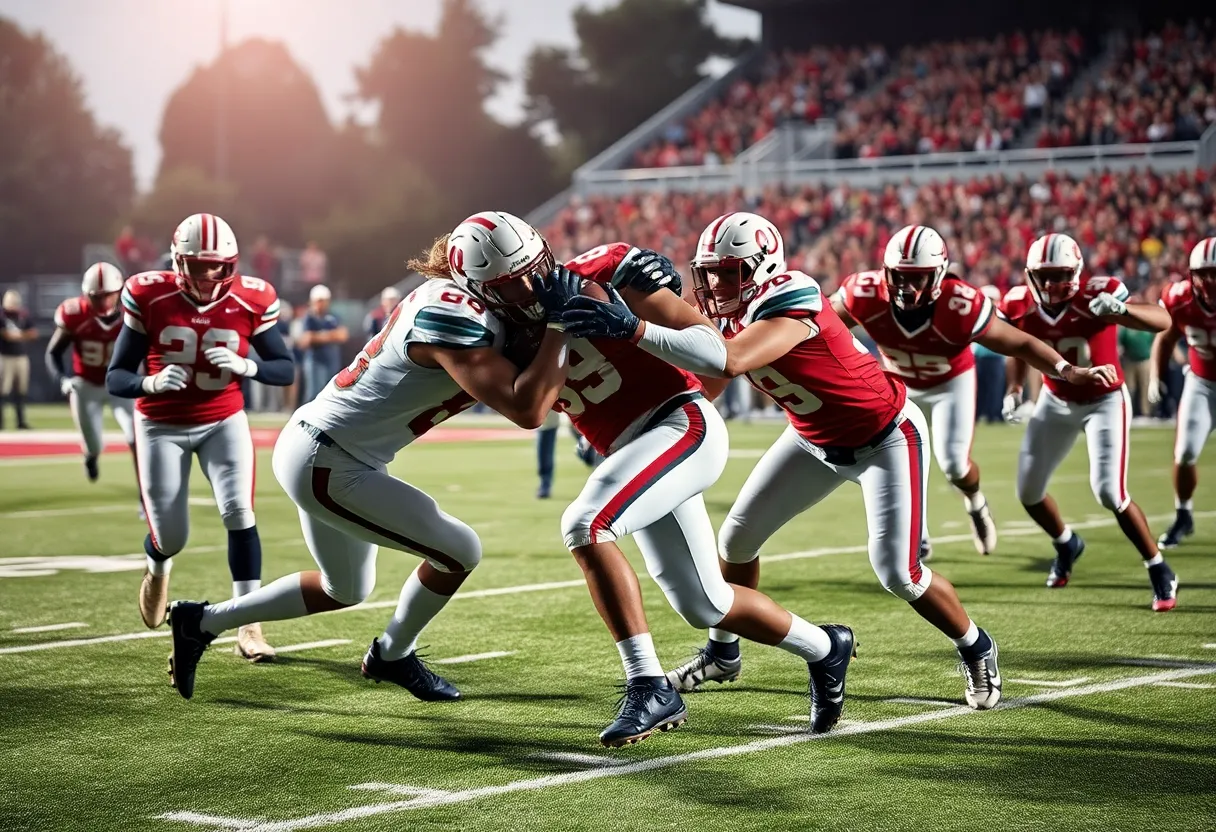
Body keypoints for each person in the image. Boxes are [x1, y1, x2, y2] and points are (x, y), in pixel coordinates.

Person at [589, 212, 1001, 711]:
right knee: (737, 541)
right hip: (811, 440)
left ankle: (976, 646)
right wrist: (644, 422)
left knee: (900, 573)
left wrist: (635, 329)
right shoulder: (729, 311)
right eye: (710, 271)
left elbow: (732, 359)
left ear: (762, 267)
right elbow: (712, 381)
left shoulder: (792, 293)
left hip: (885, 437)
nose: (716, 283)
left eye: (729, 270)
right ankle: (724, 653)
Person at [163, 211, 578, 701]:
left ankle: (201, 621)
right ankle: (393, 653)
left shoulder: (466, 298)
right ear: (478, 285)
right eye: (515, 285)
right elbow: (528, 409)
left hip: (329, 449)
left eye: (537, 270)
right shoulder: (452, 315)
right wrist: (561, 321)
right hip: (330, 459)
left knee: (346, 588)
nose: (533, 290)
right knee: (460, 550)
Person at [551, 235, 857, 747]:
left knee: (586, 523)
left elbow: (713, 349)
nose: (516, 291)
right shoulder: (486, 333)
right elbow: (526, 408)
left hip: (678, 425)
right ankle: (826, 647)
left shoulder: (597, 270)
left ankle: (648, 684)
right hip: (633, 451)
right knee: (704, 603)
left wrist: (640, 302)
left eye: (522, 276)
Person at [832, 225, 1114, 557]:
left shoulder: (960, 304)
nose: (906, 288)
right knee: (897, 459)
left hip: (950, 384)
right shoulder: (865, 295)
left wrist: (1066, 370)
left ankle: (975, 501)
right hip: (898, 386)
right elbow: (820, 323)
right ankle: (917, 535)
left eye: (918, 277)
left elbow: (1019, 342)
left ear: (937, 275)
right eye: (899, 276)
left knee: (954, 465)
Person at [106, 213, 295, 664]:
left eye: (219, 265)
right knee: (172, 537)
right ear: (178, 261)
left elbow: (283, 367)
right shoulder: (148, 294)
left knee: (240, 512)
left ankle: (248, 623)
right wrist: (149, 383)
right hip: (159, 424)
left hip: (221, 419)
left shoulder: (253, 297)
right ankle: (157, 565)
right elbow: (116, 376)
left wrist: (247, 366)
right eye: (198, 265)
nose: (210, 275)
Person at [1001, 233, 1177, 610]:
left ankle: (1158, 566)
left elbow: (1162, 319)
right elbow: (1015, 346)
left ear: (1077, 272)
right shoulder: (1018, 302)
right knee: (1028, 492)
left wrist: (1121, 311)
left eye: (1060, 274)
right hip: (1055, 398)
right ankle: (1066, 543)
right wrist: (1015, 388)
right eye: (1043, 276)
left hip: (1104, 400)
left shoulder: (1100, 293)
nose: (1050, 285)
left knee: (1109, 493)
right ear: (1030, 274)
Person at [45, 264, 138, 494]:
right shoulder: (75, 314)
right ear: (86, 294)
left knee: (137, 438)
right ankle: (91, 456)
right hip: (86, 385)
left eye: (108, 296)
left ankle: (143, 496)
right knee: (94, 444)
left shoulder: (133, 312)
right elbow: (53, 352)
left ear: (119, 291)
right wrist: (63, 379)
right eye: (96, 297)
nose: (103, 302)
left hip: (120, 383)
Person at [1152, 238, 1216, 548]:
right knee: (1185, 452)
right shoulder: (1179, 299)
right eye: (1205, 273)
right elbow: (1165, 339)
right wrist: (1157, 377)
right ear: (1192, 275)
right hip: (1202, 382)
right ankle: (1183, 514)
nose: (1211, 281)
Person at [298, 285, 348, 403]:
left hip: (331, 361)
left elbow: (343, 335)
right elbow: (306, 339)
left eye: (323, 301)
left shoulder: (333, 316)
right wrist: (331, 335)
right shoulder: (309, 318)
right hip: (315, 362)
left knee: (332, 395)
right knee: (314, 395)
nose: (321, 304)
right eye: (318, 301)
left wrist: (318, 336)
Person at [1, 290, 38, 430]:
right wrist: (23, 335)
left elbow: (34, 334)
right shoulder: (2, 316)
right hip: (5, 356)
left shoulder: (23, 315)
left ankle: (21, 422)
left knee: (21, 390)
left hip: (21, 356)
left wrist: (18, 335)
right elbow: (6, 335)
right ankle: (1, 423)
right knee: (3, 390)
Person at [1118, 315, 1155, 418]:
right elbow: (1121, 345)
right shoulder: (1126, 329)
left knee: (1145, 387)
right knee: (1130, 388)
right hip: (1130, 361)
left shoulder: (1147, 328)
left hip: (1145, 360)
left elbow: (1153, 343)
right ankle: (1129, 411)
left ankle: (1146, 413)